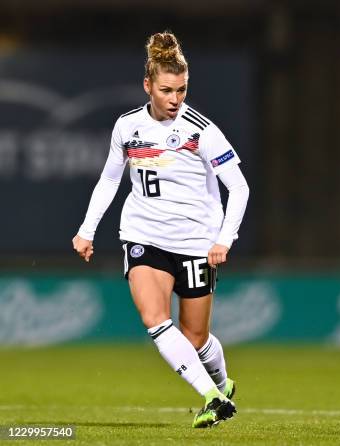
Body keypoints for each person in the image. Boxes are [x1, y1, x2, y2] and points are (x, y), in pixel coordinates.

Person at [72, 31, 249, 428]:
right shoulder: (127, 127)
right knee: (154, 317)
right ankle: (211, 398)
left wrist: (224, 238)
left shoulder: (201, 131)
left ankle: (220, 384)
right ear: (148, 85)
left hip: (196, 244)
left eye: (182, 90)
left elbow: (239, 187)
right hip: (143, 236)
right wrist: (88, 230)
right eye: (167, 90)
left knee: (196, 339)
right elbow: (109, 180)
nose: (175, 99)